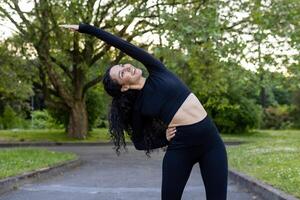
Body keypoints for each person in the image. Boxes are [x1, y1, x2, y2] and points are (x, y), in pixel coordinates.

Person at [60, 23, 228, 200]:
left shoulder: (157, 70)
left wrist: (85, 28)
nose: (126, 67)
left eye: (122, 65)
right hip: (181, 149)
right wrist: (164, 138)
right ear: (124, 88)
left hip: (211, 144)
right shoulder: (140, 107)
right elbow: (139, 142)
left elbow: (122, 44)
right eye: (121, 73)